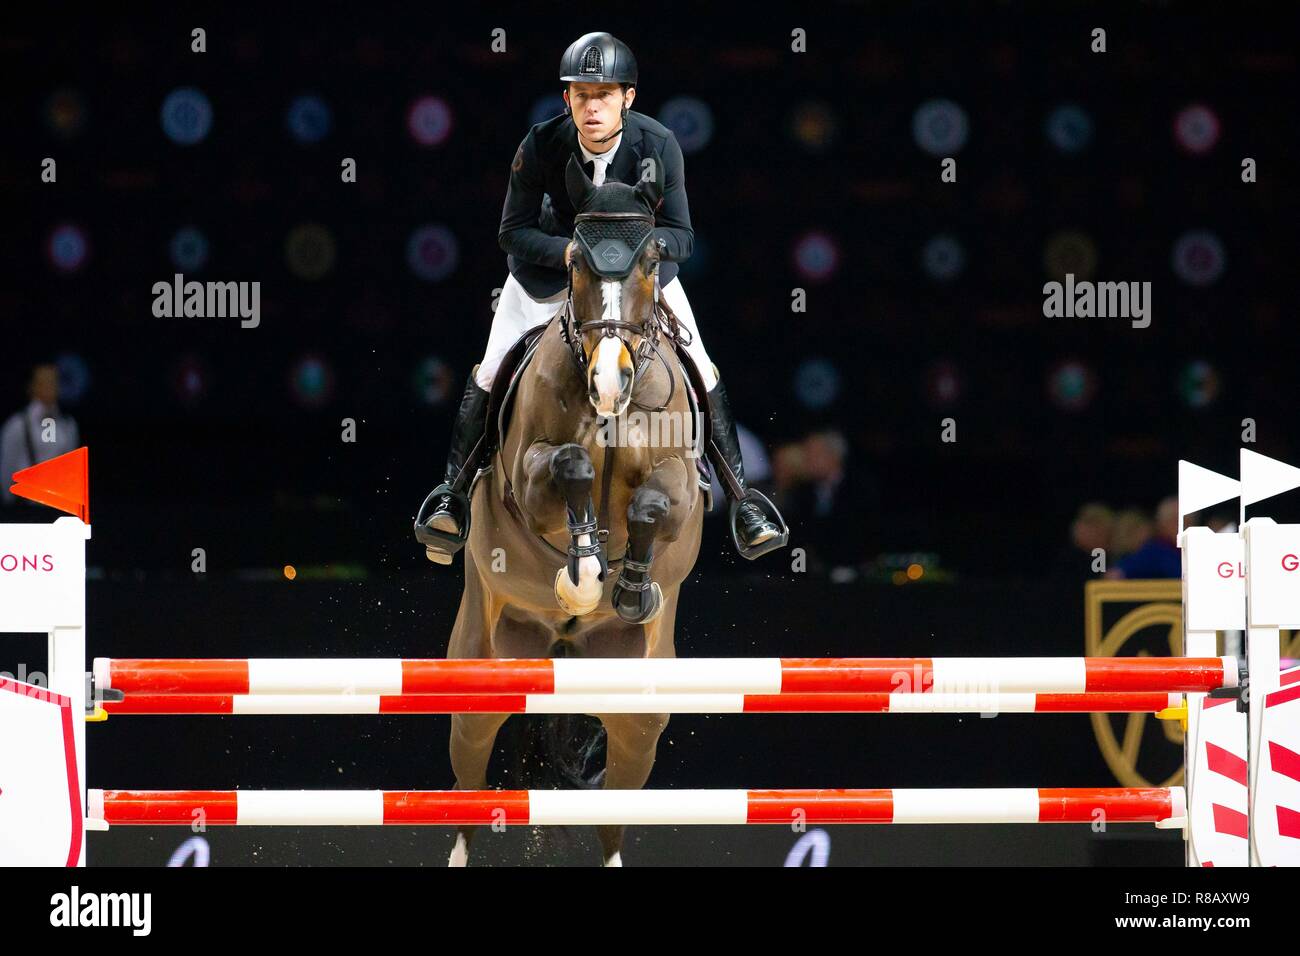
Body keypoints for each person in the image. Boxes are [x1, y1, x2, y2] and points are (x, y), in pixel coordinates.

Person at [416, 31, 786, 560]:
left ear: (627, 98)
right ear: (566, 98)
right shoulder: (540, 145)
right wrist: (570, 254)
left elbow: (682, 236)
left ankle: (744, 501)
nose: (593, 106)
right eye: (582, 94)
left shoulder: (658, 146)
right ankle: (452, 496)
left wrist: (636, 254)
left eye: (606, 94)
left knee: (701, 365)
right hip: (550, 278)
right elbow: (512, 232)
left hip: (634, 283)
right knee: (491, 366)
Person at [0, 363, 80, 507]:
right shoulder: (17, 425)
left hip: (58, 506)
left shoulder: (68, 425)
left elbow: (71, 472)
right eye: (44, 382)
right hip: (24, 508)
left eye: (54, 381)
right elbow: (7, 467)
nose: (50, 386)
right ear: (32, 387)